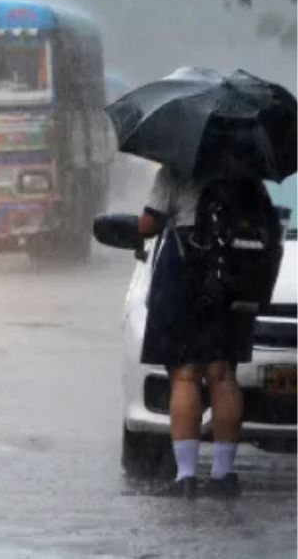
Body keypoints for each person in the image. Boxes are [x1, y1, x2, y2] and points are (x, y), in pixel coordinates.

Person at [137, 165, 257, 499]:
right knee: (222, 374)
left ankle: (186, 476)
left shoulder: (174, 169)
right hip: (228, 275)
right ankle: (222, 475)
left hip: (183, 271)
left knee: (186, 374)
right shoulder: (243, 170)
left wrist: (142, 225)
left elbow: (149, 225)